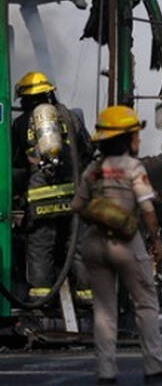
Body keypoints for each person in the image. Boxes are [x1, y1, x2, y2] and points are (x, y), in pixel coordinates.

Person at [70, 106, 162, 383]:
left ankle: (106, 372)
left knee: (103, 309)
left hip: (94, 244)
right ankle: (154, 367)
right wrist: (155, 240)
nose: (139, 140)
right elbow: (147, 209)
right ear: (126, 138)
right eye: (135, 134)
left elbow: (78, 205)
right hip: (126, 244)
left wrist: (102, 213)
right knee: (145, 303)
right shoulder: (133, 168)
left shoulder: (93, 170)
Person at [12, 71, 94, 304]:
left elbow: (15, 162)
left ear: (26, 99)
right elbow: (87, 150)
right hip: (74, 196)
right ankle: (87, 296)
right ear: (50, 94)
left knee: (40, 247)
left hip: (41, 199)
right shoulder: (71, 117)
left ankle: (41, 297)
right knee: (77, 246)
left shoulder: (20, 123)